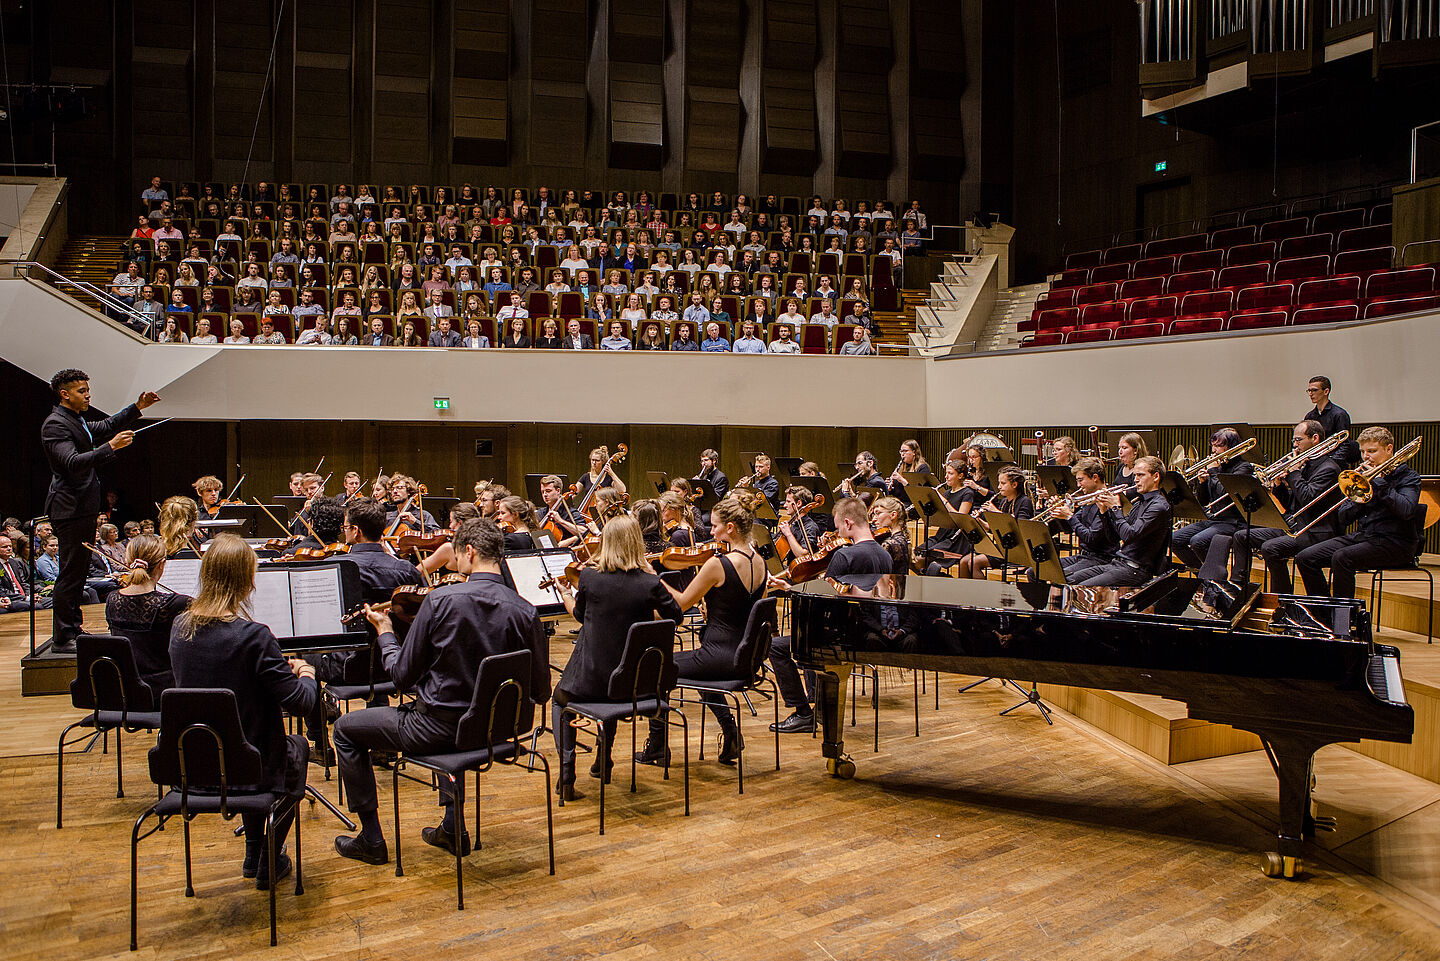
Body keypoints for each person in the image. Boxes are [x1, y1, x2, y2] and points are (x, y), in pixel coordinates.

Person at [334, 519, 550, 864]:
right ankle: (451, 826)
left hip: (438, 731)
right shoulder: (525, 610)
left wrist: (386, 632)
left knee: (344, 730)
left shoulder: (441, 601)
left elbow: (401, 677)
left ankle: (371, 838)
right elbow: (541, 690)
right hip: (497, 730)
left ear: (470, 552)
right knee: (456, 707)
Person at [169, 534, 317, 889]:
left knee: (255, 744)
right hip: (249, 766)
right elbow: (301, 702)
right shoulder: (254, 637)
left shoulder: (179, 627)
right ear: (248, 580)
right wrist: (307, 672)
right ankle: (268, 852)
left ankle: (254, 853)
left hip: (191, 764)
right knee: (295, 748)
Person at [549, 516, 683, 795]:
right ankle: (602, 759)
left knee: (560, 700)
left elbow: (579, 616)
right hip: (635, 685)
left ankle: (566, 772)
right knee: (614, 678)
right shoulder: (649, 584)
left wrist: (565, 594)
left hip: (593, 683)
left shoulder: (589, 578)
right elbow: (676, 616)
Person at [636, 492, 768, 764]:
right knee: (699, 673)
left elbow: (681, 604)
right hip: (745, 656)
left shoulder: (717, 565)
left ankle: (658, 746)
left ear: (730, 528)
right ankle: (730, 732)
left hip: (718, 654)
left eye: (715, 526)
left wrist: (653, 578)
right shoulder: (760, 562)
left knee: (655, 666)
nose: (710, 530)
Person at [40, 370, 160, 651]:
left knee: (78, 571)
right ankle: (63, 636)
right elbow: (72, 462)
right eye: (82, 391)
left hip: (80, 507)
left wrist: (137, 408)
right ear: (64, 394)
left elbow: (106, 425)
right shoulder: (55, 424)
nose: (88, 395)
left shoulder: (75, 419)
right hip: (68, 508)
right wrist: (110, 447)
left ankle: (73, 628)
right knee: (70, 573)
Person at [766, 497, 894, 733]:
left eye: (838, 528)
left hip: (841, 637)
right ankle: (819, 704)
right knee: (807, 637)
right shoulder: (885, 555)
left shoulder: (844, 556)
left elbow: (825, 601)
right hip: (869, 633)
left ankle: (804, 712)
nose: (837, 533)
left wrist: (790, 589)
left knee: (778, 646)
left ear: (847, 523)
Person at [1296, 426, 1422, 600]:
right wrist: (1358, 492)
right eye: (1363, 451)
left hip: (1396, 542)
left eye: (1372, 451)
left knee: (1342, 558)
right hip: (1365, 537)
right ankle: (1323, 614)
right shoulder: (1363, 477)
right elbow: (1344, 517)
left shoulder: (1408, 477)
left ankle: (1344, 619)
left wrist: (1379, 483)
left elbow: (1406, 510)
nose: (1365, 457)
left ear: (1389, 449)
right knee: (1305, 557)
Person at [103, 533, 189, 692]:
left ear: (128, 563)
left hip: (124, 692)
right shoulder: (176, 603)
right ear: (162, 565)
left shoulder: (112, 600)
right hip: (163, 692)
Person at [1069, 456, 1173, 587]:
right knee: (1070, 580)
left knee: (1081, 588)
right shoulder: (1139, 502)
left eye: (1140, 475)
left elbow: (1130, 535)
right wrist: (1104, 513)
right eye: (1135, 475)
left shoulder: (1158, 506)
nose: (1135, 479)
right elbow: (1114, 538)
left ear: (1156, 477)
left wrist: (1115, 508)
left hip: (1135, 570)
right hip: (1118, 563)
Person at [1170, 429, 1256, 576]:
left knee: (1198, 541)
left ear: (1231, 447)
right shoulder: (1217, 466)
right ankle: (1202, 573)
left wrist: (1214, 472)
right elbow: (1204, 501)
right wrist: (1202, 483)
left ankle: (1215, 576)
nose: (1214, 450)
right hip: (1214, 519)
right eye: (1213, 446)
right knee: (1174, 539)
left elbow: (1226, 494)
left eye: (1218, 446)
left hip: (1233, 521)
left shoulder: (1243, 467)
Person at [1041, 458, 1120, 580]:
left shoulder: (1107, 501)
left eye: (1081, 480)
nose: (1078, 485)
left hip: (1101, 559)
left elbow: (1090, 537)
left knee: (1059, 576)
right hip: (1083, 556)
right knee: (1035, 570)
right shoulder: (1088, 499)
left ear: (1095, 477)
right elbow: (1069, 528)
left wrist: (1069, 516)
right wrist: (1059, 512)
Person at [1304, 375, 1360, 467]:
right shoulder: (1309, 416)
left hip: (1333, 463)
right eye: (1309, 391)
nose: (1310, 394)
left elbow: (1344, 445)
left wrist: (1329, 463)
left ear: (1326, 391)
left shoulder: (1339, 414)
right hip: (1315, 462)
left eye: (1314, 390)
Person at [0, 534, 52, 614]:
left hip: (24, 596)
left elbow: (23, 583)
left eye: (10, 546)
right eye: (4, 547)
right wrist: (26, 598)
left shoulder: (13, 562)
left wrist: (31, 595)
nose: (9, 549)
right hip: (12, 599)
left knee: (54, 601)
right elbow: (3, 590)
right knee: (38, 606)